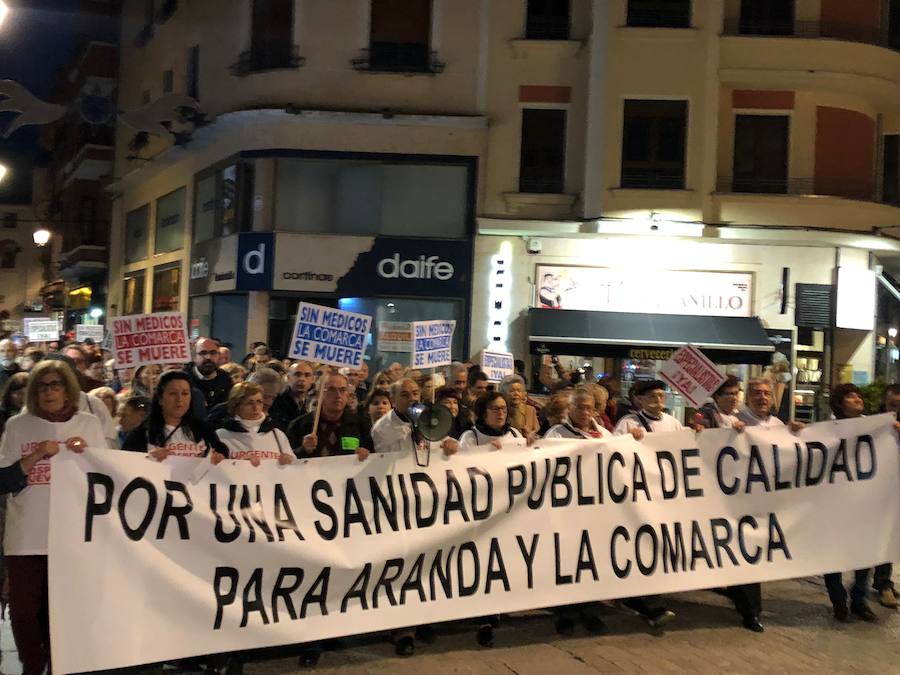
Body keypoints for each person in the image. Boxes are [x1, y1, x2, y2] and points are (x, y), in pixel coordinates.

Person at [0, 360, 104, 675]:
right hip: (26, 536)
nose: (49, 391)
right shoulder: (19, 426)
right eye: (42, 386)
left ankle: (60, 666)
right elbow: (4, 481)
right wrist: (33, 456)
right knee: (23, 615)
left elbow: (106, 477)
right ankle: (33, 665)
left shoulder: (89, 424)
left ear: (68, 388)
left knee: (63, 613)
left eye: (56, 384)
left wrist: (87, 454)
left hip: (71, 537)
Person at [693, 376, 762, 632]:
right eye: (728, 394)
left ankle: (751, 611)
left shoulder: (743, 419)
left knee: (746, 551)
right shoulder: (706, 416)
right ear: (716, 397)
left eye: (736, 393)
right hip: (714, 498)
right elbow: (698, 435)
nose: (733, 397)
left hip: (741, 498)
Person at [822, 383, 879, 623]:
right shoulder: (827, 430)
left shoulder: (876, 427)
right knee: (831, 554)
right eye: (850, 396)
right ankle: (838, 600)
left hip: (864, 505)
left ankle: (859, 600)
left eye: (858, 395)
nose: (857, 399)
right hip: (835, 506)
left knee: (864, 554)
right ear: (839, 403)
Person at [122, 370, 228, 460]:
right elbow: (126, 466)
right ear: (160, 399)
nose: (179, 399)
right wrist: (148, 460)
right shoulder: (141, 434)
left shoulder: (204, 430)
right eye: (173, 393)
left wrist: (219, 458)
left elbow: (223, 456)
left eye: (185, 393)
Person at [287, 372, 370, 460]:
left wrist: (365, 454)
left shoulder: (361, 425)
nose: (338, 395)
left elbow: (375, 457)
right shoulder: (299, 425)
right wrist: (303, 450)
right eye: (331, 390)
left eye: (342, 390)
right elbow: (287, 460)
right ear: (319, 394)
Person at [215, 382, 293, 465]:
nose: (256, 407)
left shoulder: (276, 434)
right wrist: (239, 465)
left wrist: (289, 461)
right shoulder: (221, 435)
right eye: (249, 403)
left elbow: (294, 465)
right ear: (236, 406)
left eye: (259, 401)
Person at [613, 380, 685, 437]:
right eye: (652, 396)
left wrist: (695, 433)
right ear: (640, 399)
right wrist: (628, 437)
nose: (658, 399)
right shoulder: (628, 422)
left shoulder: (673, 423)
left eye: (661, 395)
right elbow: (615, 444)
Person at [186, 337, 233, 413]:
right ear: (194, 357)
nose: (208, 357)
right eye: (203, 353)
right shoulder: (184, 378)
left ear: (218, 356)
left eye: (213, 353)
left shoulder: (225, 378)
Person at [545, 387, 612, 439]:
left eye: (589, 408)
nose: (585, 412)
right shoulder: (555, 435)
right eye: (580, 407)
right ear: (569, 408)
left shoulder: (605, 436)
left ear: (594, 411)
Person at [269, 361, 314, 433]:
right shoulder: (276, 402)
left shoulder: (313, 403)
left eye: (307, 375)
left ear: (312, 379)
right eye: (297, 374)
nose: (302, 379)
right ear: (288, 378)